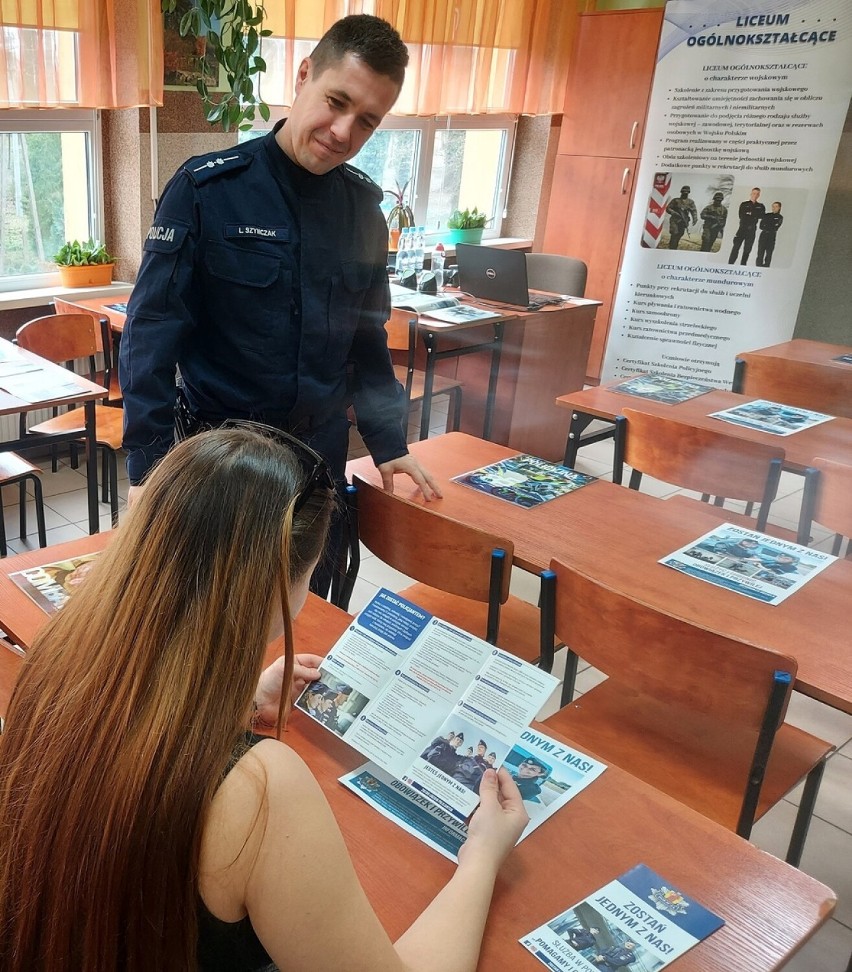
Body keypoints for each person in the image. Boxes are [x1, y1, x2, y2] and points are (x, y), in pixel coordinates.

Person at [0, 425, 528, 970]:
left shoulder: (58, 660)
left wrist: (243, 699)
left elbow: (138, 742)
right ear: (283, 582)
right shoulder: (262, 787)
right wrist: (483, 856)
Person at [119, 14, 440, 594]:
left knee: (306, 605)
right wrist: (147, 466)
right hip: (224, 459)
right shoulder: (206, 189)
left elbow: (368, 341)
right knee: (215, 611)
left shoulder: (363, 210)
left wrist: (389, 443)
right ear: (303, 74)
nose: (343, 131)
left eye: (367, 121)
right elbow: (150, 336)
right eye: (336, 101)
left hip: (318, 457)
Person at [728, 188, 765, 265]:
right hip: (742, 229)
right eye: (754, 193)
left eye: (757, 194)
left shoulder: (761, 206)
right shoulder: (744, 204)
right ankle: (730, 264)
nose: (755, 195)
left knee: (747, 250)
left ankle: (743, 265)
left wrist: (751, 214)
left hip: (751, 231)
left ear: (759, 195)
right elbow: (741, 216)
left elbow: (762, 216)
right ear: (751, 194)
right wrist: (754, 215)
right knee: (736, 247)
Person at [756, 201, 784, 267]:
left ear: (779, 208)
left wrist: (767, 225)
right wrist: (770, 225)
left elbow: (775, 227)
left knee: (769, 253)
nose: (774, 208)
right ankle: (758, 267)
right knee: (760, 252)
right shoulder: (767, 215)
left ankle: (766, 267)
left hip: (771, 236)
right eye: (773, 206)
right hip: (763, 235)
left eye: (776, 206)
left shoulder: (780, 217)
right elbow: (761, 226)